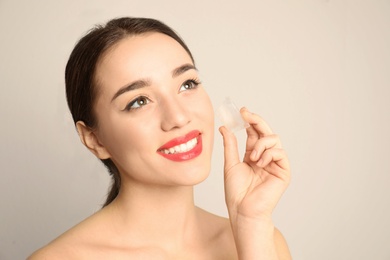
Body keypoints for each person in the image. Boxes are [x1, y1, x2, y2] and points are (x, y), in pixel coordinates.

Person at [28, 17, 291, 259]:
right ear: (94, 139)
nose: (178, 117)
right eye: (139, 101)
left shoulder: (261, 240)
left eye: (187, 84)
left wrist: (251, 224)